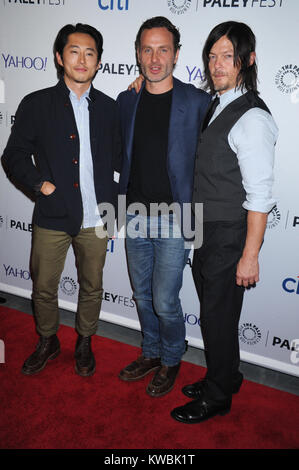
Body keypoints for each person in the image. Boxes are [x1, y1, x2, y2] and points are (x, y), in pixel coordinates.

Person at [171, 21, 278, 423]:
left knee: (216, 317)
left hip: (229, 234)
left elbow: (260, 195)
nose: (217, 65)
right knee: (220, 314)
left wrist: (250, 255)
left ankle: (217, 397)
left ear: (248, 60)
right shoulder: (215, 102)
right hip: (207, 229)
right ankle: (227, 375)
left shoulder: (252, 118)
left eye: (228, 56)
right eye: (212, 56)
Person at [1, 23, 121, 377]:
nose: (82, 59)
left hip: (97, 218)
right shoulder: (37, 104)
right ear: (59, 57)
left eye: (90, 53)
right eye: (74, 51)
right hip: (53, 214)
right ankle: (48, 340)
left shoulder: (111, 109)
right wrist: (42, 185)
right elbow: (14, 156)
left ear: (98, 61)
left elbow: (120, 164)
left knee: (92, 286)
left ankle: (84, 341)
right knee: (43, 286)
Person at [117, 16, 210, 397]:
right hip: (135, 216)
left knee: (165, 300)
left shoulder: (199, 101)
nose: (155, 58)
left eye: (163, 50)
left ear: (176, 54)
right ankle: (151, 352)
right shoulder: (127, 99)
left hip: (176, 218)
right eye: (147, 49)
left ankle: (172, 357)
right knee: (141, 296)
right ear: (138, 54)